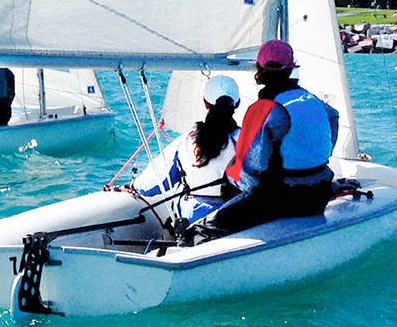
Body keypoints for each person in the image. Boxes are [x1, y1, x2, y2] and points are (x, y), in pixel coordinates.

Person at [198, 40, 339, 236]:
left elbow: (247, 172)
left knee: (211, 223)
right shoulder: (311, 99)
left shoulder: (264, 109)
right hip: (319, 194)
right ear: (291, 68)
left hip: (284, 201)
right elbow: (333, 117)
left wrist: (229, 181)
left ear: (259, 69)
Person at [132, 75, 243, 227]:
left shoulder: (186, 141)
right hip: (232, 220)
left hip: (192, 220)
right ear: (237, 104)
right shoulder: (246, 140)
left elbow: (153, 185)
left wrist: (133, 186)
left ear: (205, 103)